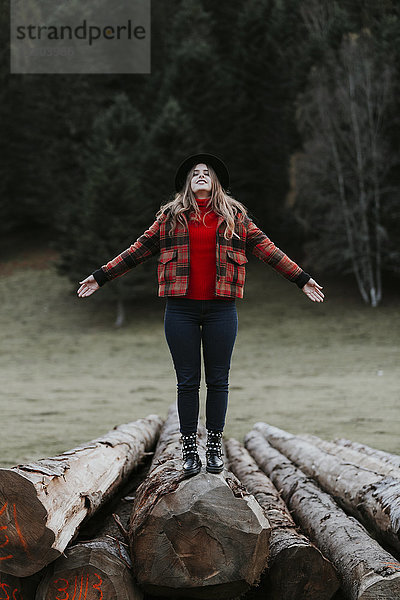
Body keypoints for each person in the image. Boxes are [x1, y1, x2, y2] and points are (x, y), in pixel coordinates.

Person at [77, 153, 324, 478]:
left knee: (219, 381)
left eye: (207, 172)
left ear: (216, 182)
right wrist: (102, 275)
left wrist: (301, 278)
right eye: (196, 172)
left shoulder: (236, 217)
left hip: (222, 310)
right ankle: (190, 449)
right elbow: (137, 250)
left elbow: (269, 250)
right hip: (181, 310)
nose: (202, 174)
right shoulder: (169, 218)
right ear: (187, 184)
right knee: (187, 382)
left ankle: (214, 447)